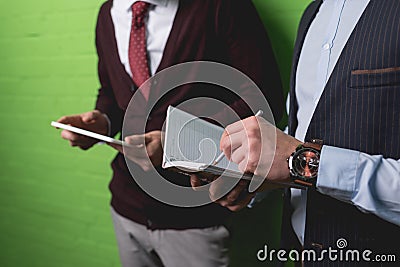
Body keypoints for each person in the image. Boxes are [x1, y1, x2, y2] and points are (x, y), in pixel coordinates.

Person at [57, 0, 284, 266]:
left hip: (194, 214)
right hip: (125, 205)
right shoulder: (108, 13)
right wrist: (102, 121)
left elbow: (263, 98)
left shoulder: (222, 6)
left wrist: (178, 141)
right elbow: (111, 92)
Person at [198, 0, 400, 266]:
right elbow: (303, 133)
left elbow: (299, 154)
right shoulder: (313, 14)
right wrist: (252, 174)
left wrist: (304, 162)